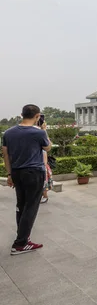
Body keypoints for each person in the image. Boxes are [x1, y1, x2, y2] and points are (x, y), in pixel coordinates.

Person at [2, 105, 53, 255]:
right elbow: (48, 148)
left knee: (21, 206)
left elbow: (5, 155)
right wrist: (44, 130)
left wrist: (10, 175)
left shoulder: (8, 133)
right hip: (33, 173)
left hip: (17, 173)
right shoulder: (38, 133)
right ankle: (21, 243)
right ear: (37, 116)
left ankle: (23, 237)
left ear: (21, 115)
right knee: (31, 207)